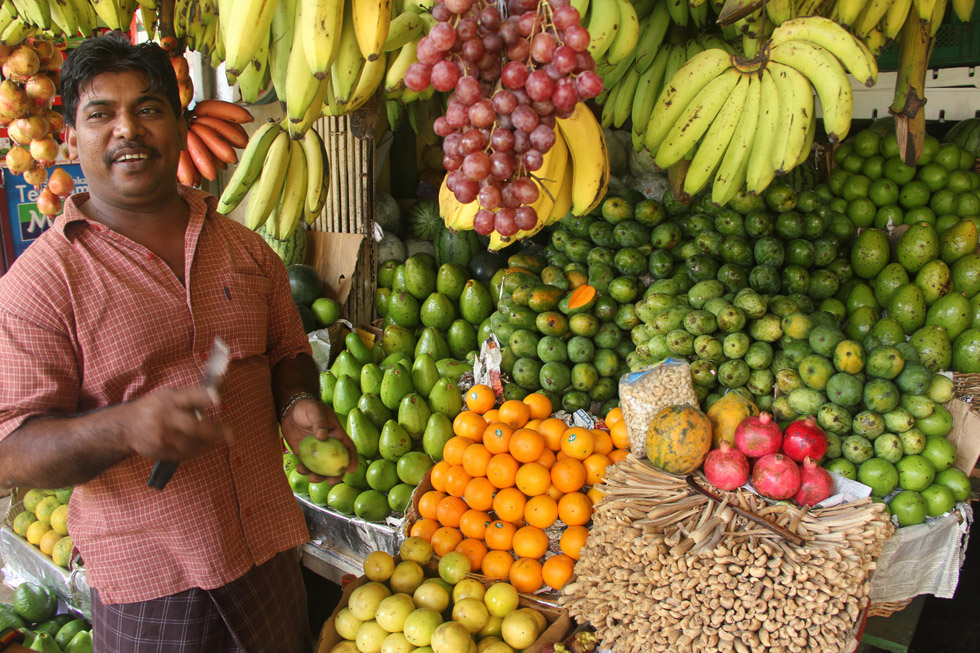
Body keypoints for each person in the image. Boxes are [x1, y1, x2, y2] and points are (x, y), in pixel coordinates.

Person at [0, 34, 355, 652]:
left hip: (268, 555)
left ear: (180, 125)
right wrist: (125, 428)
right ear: (70, 136)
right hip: (152, 588)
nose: (127, 130)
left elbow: (285, 351)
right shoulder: (41, 284)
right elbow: (11, 449)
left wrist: (295, 405)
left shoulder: (245, 249)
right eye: (101, 113)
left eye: (148, 109)